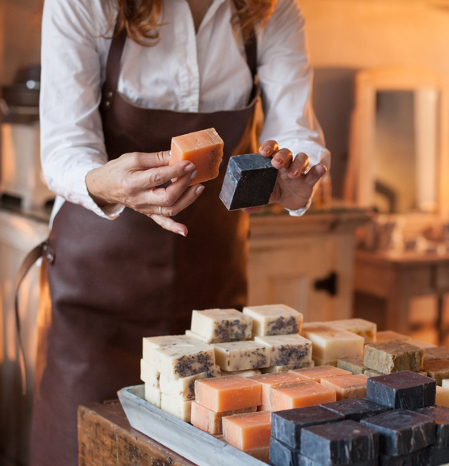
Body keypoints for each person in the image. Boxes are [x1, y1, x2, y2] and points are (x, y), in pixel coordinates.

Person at [33, 0, 329, 463]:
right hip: (97, 303)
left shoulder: (271, 10)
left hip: (211, 300)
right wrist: (112, 184)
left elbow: (296, 129)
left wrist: (294, 178)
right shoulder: (85, 4)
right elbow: (64, 149)